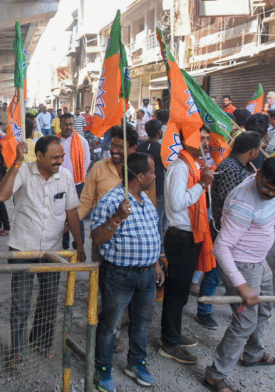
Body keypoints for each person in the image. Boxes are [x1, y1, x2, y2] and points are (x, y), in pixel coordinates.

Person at [0, 136, 85, 369]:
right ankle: (16, 351)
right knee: (21, 303)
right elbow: (1, 196)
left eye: (62, 156)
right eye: (55, 157)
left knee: (48, 301)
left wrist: (80, 245)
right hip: (23, 249)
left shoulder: (65, 177)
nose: (60, 161)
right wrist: (16, 162)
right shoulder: (24, 172)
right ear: (39, 156)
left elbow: (72, 213)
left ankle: (41, 342)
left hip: (52, 251)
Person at [203, 157, 275, 392]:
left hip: (259, 262)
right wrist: (241, 285)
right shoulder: (243, 202)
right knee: (244, 322)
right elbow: (221, 247)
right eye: (267, 187)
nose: (270, 194)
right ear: (258, 174)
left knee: (264, 310)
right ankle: (215, 376)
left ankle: (252, 353)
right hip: (241, 265)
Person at [92, 153, 165, 392]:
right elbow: (98, 238)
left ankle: (136, 364)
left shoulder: (146, 200)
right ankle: (102, 370)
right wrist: (117, 218)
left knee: (142, 324)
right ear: (141, 176)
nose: (155, 176)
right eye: (152, 172)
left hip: (146, 276)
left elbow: (153, 234)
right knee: (110, 326)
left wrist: (155, 263)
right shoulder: (111, 200)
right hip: (119, 276)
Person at [195, 131, 260, 331]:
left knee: (227, 275)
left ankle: (236, 312)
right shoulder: (231, 169)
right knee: (215, 274)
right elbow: (229, 204)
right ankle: (203, 311)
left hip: (234, 232)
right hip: (226, 231)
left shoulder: (239, 167)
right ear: (253, 151)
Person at [159, 127, 214, 364]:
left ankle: (173, 333)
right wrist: (202, 184)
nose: (205, 143)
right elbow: (179, 202)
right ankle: (169, 342)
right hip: (180, 237)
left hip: (190, 236)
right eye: (200, 138)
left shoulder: (192, 165)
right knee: (176, 292)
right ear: (187, 140)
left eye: (206, 139)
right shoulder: (180, 167)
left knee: (180, 293)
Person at [58, 113, 90, 250]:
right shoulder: (55, 141)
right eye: (66, 124)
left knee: (77, 214)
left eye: (71, 124)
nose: (68, 127)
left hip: (77, 183)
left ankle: (79, 243)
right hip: (58, 183)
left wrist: (77, 177)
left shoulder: (82, 141)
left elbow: (87, 162)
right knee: (60, 214)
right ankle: (63, 244)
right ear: (60, 125)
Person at [136, 120, 167, 235]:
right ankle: (159, 247)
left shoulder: (140, 147)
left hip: (141, 189)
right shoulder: (162, 149)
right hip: (158, 189)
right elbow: (167, 168)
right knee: (157, 219)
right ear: (159, 132)